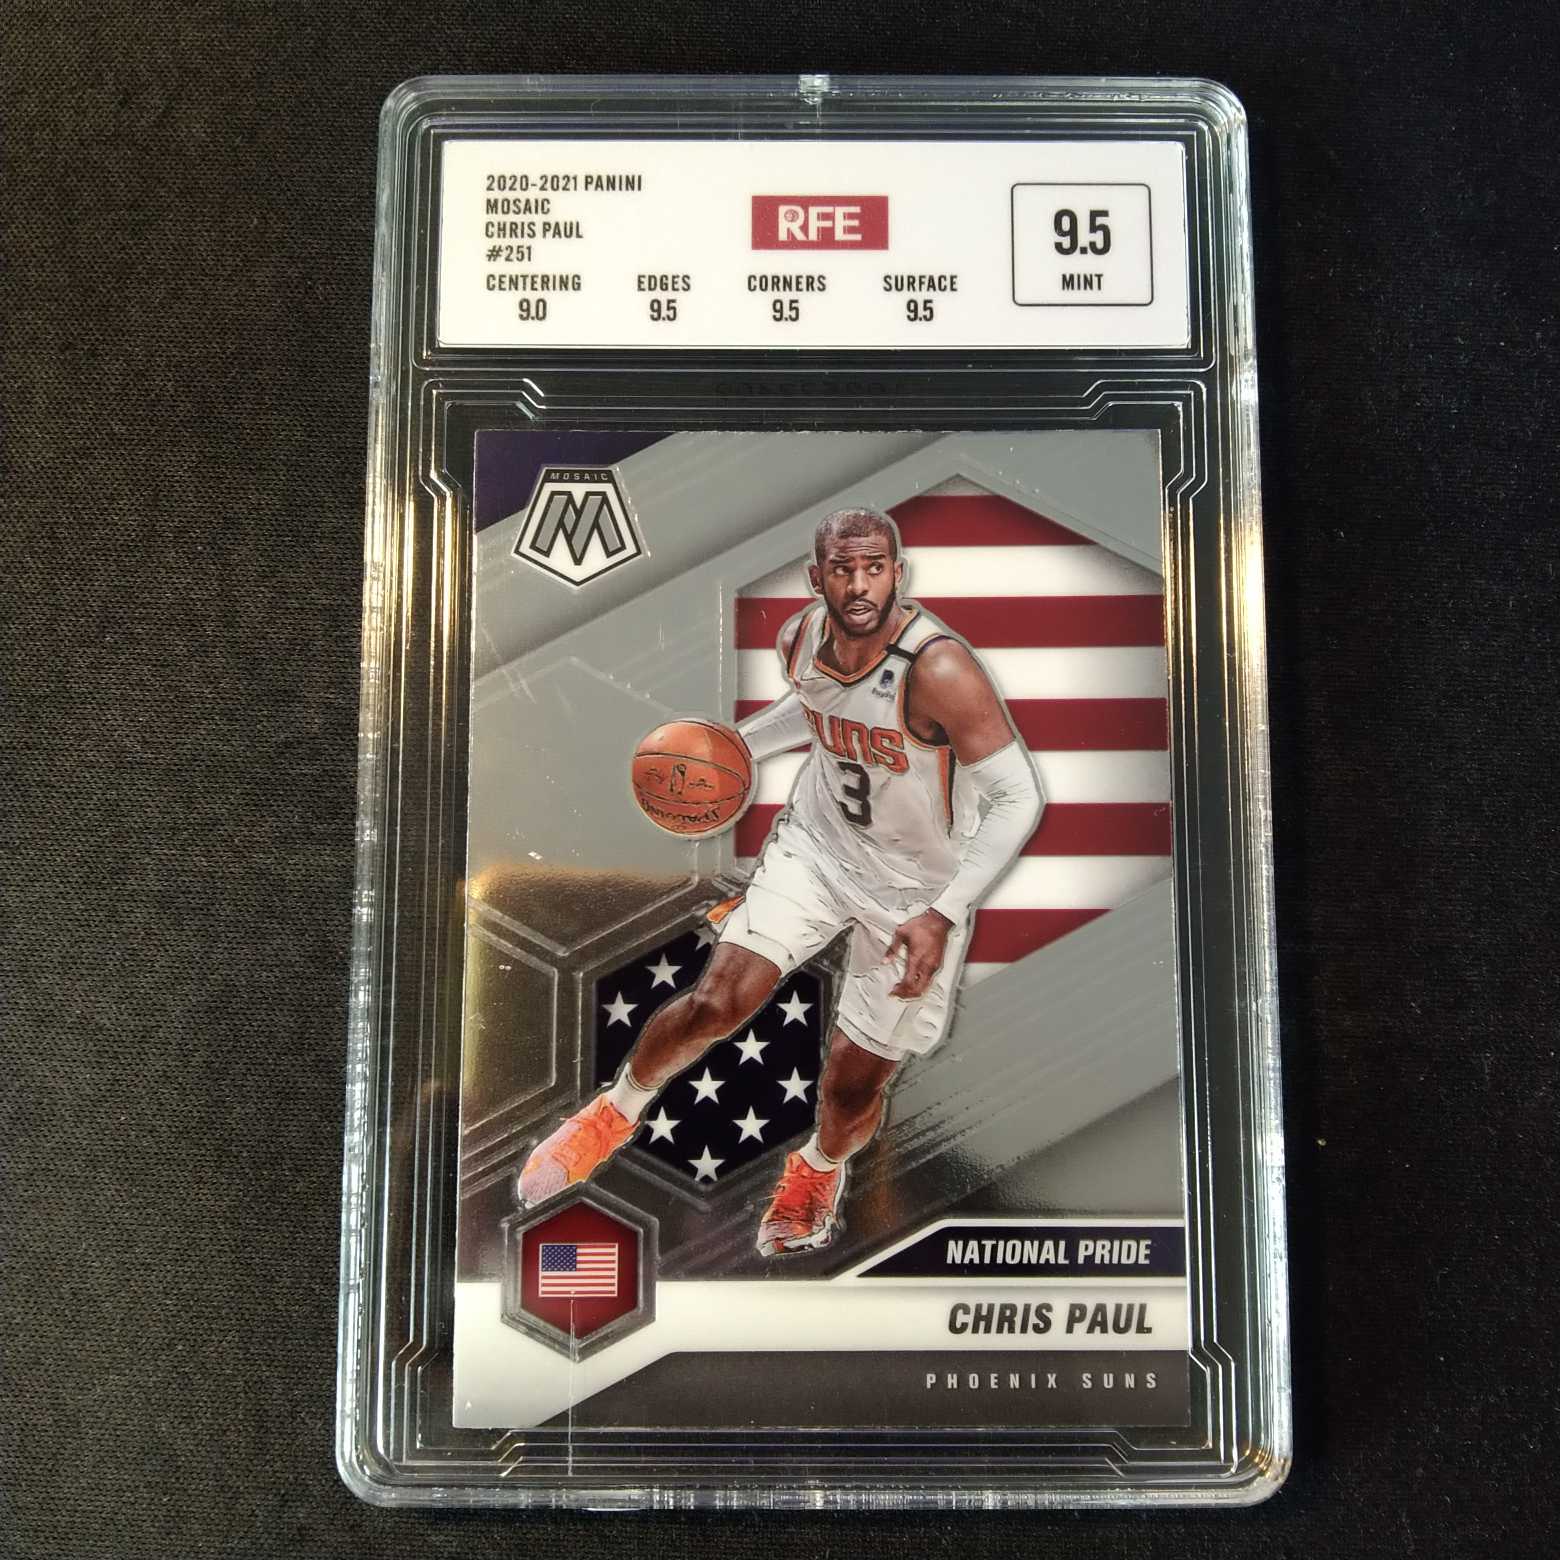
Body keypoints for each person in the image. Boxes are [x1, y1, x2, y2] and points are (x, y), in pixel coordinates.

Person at [519, 506, 1044, 1255]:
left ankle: (818, 1169)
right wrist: (735, 748)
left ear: (898, 573)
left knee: (851, 1088)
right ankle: (612, 1113)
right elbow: (814, 708)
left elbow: (1019, 795)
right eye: (842, 569)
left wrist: (944, 911)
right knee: (717, 1000)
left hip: (917, 894)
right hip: (818, 850)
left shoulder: (939, 669)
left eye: (874, 568)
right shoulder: (801, 636)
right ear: (816, 576)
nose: (858, 585)